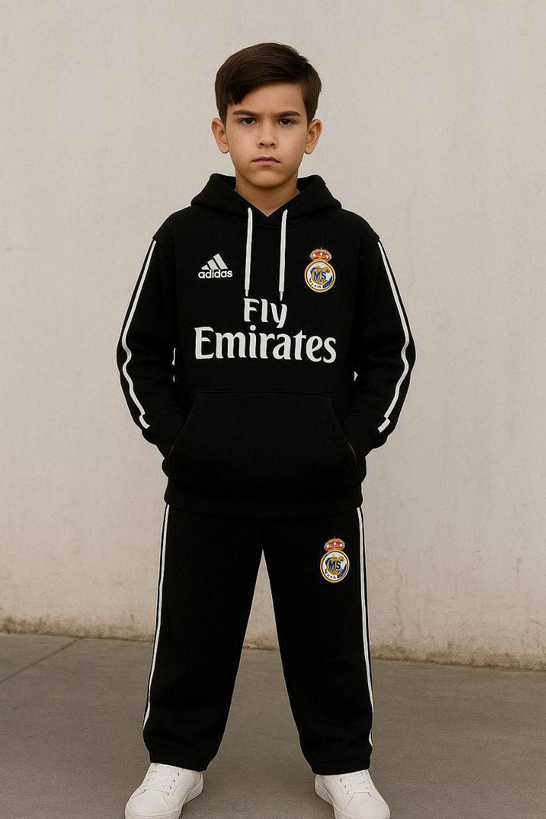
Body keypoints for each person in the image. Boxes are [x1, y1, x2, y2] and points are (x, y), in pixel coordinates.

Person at [117, 41, 416, 819]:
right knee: (193, 634)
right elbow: (139, 352)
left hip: (318, 491)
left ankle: (341, 766)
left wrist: (347, 445)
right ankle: (176, 761)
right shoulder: (183, 236)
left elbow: (391, 353)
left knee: (329, 640)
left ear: (312, 133)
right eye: (248, 120)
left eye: (285, 121)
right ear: (221, 132)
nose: (266, 137)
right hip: (207, 489)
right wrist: (181, 442)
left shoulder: (350, 239)